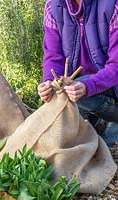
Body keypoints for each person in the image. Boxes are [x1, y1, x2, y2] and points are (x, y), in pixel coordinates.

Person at [38, 0, 118, 144]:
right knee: (67, 141)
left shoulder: (113, 4)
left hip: (110, 85)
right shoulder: (53, 6)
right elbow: (53, 57)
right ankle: (98, 120)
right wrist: (49, 82)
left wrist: (88, 86)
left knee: (105, 144)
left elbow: (116, 66)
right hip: (79, 90)